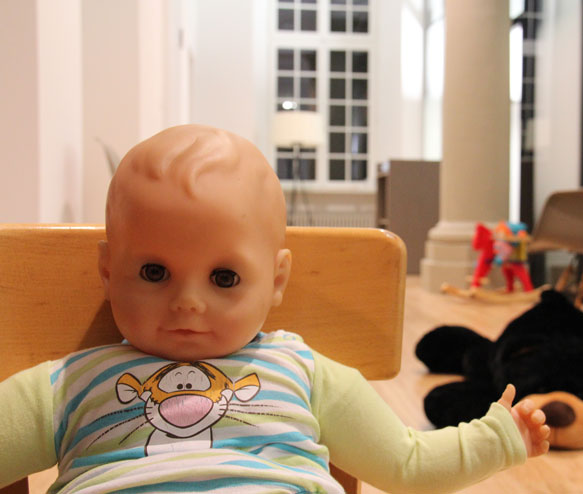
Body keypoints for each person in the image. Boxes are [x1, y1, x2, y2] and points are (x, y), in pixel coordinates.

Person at [0, 124, 549, 493]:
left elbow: (405, 462)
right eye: (154, 272)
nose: (188, 301)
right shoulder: (66, 385)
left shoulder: (304, 372)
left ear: (277, 280)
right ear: (107, 270)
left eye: (224, 278)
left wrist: (499, 438)